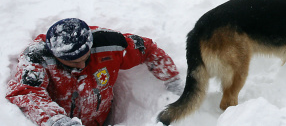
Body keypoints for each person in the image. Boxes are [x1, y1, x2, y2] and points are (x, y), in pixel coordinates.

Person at [6, 18, 183, 126]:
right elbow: (26, 92)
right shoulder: (37, 57)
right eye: (73, 62)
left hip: (100, 119)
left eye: (86, 57)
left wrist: (172, 79)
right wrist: (56, 120)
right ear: (56, 55)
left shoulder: (110, 44)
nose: (82, 65)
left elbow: (148, 50)